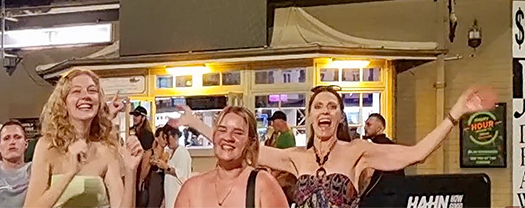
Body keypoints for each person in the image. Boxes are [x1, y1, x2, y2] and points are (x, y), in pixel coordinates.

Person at [180, 85, 496, 208]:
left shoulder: (358, 151)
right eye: (318, 106)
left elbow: (417, 153)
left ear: (340, 116)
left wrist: (455, 114)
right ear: (309, 116)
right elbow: (241, 146)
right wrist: (198, 124)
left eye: (332, 107)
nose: (325, 112)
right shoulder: (296, 158)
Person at [23, 68, 144, 208]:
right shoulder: (49, 146)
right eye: (76, 91)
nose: (86, 96)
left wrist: (130, 171)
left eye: (92, 90)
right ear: (64, 103)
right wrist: (69, 174)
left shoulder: (107, 149)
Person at [173, 107, 288, 208]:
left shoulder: (263, 185)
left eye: (238, 133)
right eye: (222, 130)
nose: (228, 137)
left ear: (250, 141)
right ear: (214, 136)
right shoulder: (192, 189)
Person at [156, 127, 191, 208]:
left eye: (168, 138)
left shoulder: (182, 152)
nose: (167, 142)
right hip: (170, 195)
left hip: (177, 194)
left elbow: (182, 174)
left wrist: (166, 167)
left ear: (175, 137)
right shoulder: (171, 153)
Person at [141, 129, 168, 208]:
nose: (165, 140)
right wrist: (150, 163)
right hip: (152, 185)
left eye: (166, 137)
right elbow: (143, 174)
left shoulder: (167, 154)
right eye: (163, 137)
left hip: (163, 185)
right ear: (156, 138)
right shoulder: (150, 153)